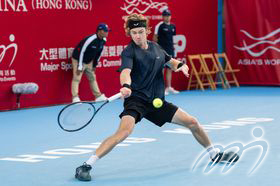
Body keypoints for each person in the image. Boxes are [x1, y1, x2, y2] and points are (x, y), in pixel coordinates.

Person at [75, 13, 239, 181]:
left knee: (193, 122)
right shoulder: (128, 52)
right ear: (129, 34)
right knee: (123, 132)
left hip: (156, 102)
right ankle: (86, 165)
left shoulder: (156, 48)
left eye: (140, 32)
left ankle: (214, 155)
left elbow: (170, 61)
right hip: (136, 101)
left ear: (147, 31)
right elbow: (126, 72)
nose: (137, 36)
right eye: (134, 33)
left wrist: (181, 66)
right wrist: (125, 85)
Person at [71, 23, 110, 103]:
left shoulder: (104, 40)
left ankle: (98, 96)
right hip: (78, 59)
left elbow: (99, 53)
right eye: (105, 31)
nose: (107, 33)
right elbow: (81, 52)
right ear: (100, 31)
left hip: (89, 61)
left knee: (92, 78)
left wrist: (94, 65)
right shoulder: (90, 39)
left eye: (108, 31)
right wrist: (80, 66)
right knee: (77, 78)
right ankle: (75, 98)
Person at [153, 9, 179, 95]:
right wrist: (157, 50)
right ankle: (161, 89)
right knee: (162, 70)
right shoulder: (159, 26)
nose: (167, 17)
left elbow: (173, 39)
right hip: (161, 52)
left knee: (170, 69)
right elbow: (154, 38)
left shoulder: (173, 26)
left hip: (170, 50)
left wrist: (173, 50)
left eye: (168, 15)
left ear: (170, 16)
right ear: (163, 17)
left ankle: (169, 87)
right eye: (165, 15)